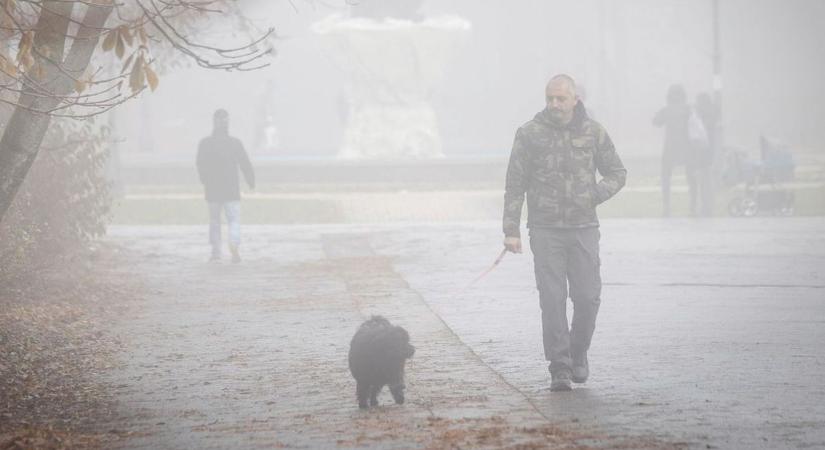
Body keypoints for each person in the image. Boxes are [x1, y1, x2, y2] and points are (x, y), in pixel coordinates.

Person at [503, 74, 626, 391]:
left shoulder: (593, 132)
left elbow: (617, 172)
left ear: (575, 100)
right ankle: (560, 367)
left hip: (584, 228)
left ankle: (578, 351)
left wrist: (594, 195)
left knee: (587, 298)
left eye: (560, 98)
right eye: (549, 98)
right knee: (553, 299)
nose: (554, 104)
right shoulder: (529, 134)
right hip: (545, 230)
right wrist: (511, 230)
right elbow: (515, 185)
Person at [196, 109, 255, 263]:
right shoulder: (234, 143)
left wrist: (204, 180)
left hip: (213, 189)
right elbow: (245, 163)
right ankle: (234, 244)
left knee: (214, 221)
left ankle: (216, 251)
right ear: (228, 122)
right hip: (231, 189)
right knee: (234, 219)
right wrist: (250, 180)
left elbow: (200, 164)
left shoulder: (206, 143)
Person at [653, 84, 699, 216]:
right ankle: (693, 205)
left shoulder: (667, 110)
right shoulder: (688, 110)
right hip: (687, 148)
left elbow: (656, 122)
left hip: (670, 148)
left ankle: (667, 206)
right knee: (691, 178)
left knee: (666, 177)